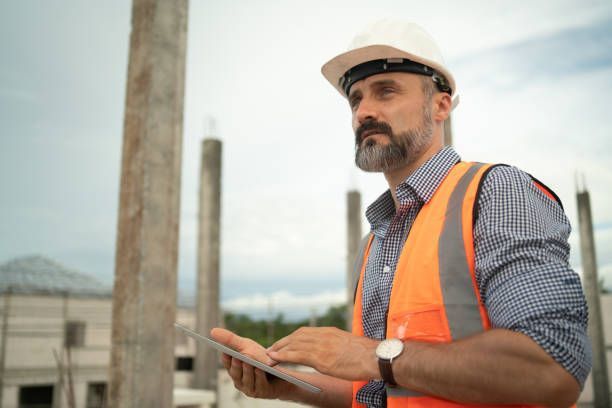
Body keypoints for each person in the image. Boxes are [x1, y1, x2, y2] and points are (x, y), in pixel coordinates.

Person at [211, 20, 591, 407]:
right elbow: (379, 390)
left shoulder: (495, 193)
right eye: (355, 99)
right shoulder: (376, 240)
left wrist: (371, 353)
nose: (363, 112)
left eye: (386, 91)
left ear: (441, 104)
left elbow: (552, 367)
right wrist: (287, 383)